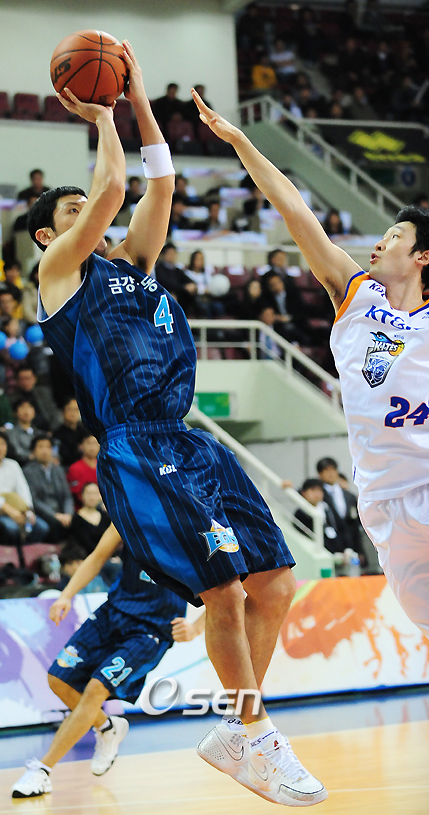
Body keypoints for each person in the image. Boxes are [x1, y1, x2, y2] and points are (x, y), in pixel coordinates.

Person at [27, 41, 326, 807]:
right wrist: (102, 114)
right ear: (47, 235)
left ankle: (235, 727)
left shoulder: (135, 264)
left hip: (187, 436)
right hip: (134, 443)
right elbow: (115, 185)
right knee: (222, 587)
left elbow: (157, 181)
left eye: (85, 208)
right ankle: (258, 734)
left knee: (276, 582)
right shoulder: (59, 274)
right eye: (71, 211)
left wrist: (136, 99)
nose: (90, 213)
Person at [192, 88, 429, 637]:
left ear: (423, 257)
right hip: (382, 503)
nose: (379, 243)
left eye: (394, 236)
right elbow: (295, 209)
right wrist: (241, 142)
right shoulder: (357, 296)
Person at [11, 523, 197, 799]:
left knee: (95, 689)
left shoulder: (194, 525)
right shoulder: (130, 509)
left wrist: (196, 628)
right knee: (58, 679)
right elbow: (98, 556)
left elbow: (230, 588)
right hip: (113, 613)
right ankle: (107, 727)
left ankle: (42, 770)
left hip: (152, 630)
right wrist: (66, 595)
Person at [0, 431, 49, 549]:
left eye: (2, 444)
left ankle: (25, 555)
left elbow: (23, 489)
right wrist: (9, 510)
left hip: (18, 508)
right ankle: (12, 556)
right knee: (11, 528)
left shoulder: (13, 465)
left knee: (42, 527)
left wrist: (28, 511)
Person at [24, 435, 74, 542]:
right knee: (54, 524)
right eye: (40, 447)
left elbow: (67, 496)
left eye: (48, 447)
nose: (45, 451)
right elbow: (34, 500)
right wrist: (55, 515)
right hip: (43, 513)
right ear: (33, 451)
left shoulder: (58, 470)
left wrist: (68, 514)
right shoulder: (28, 471)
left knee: (80, 521)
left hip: (62, 512)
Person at [66, 433, 99, 509]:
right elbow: (74, 494)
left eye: (95, 443)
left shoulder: (104, 467)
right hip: (80, 509)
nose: (92, 447)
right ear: (81, 446)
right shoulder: (75, 468)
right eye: (88, 443)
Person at [53, 397, 85, 468]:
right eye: (70, 409)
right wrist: (79, 451)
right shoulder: (58, 433)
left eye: (76, 410)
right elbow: (62, 456)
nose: (73, 413)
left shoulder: (84, 431)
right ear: (63, 411)